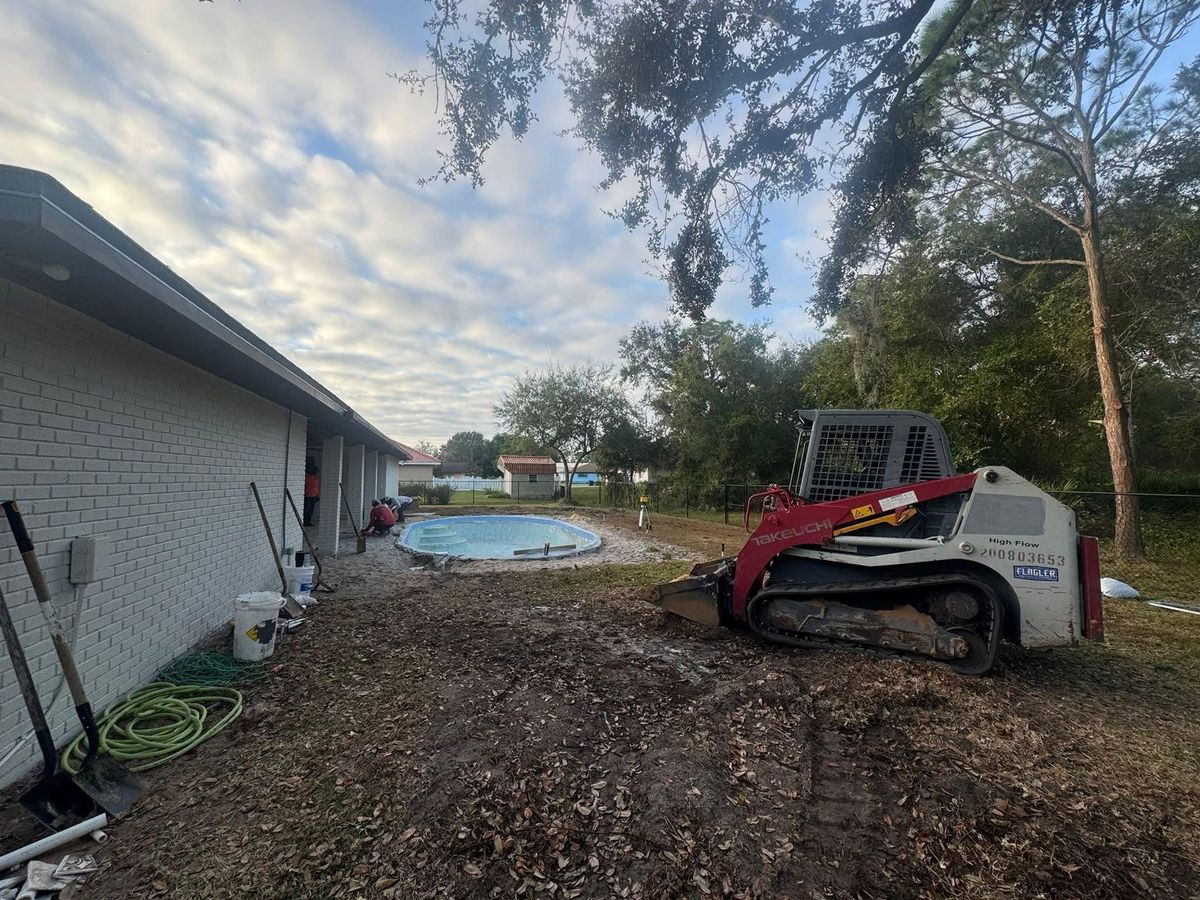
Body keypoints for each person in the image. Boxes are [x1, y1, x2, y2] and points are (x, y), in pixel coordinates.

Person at [303, 457, 320, 526]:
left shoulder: (315, 478)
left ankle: (308, 521)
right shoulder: (307, 477)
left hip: (313, 496)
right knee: (306, 509)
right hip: (307, 496)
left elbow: (316, 487)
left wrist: (317, 495)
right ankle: (305, 521)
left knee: (310, 510)